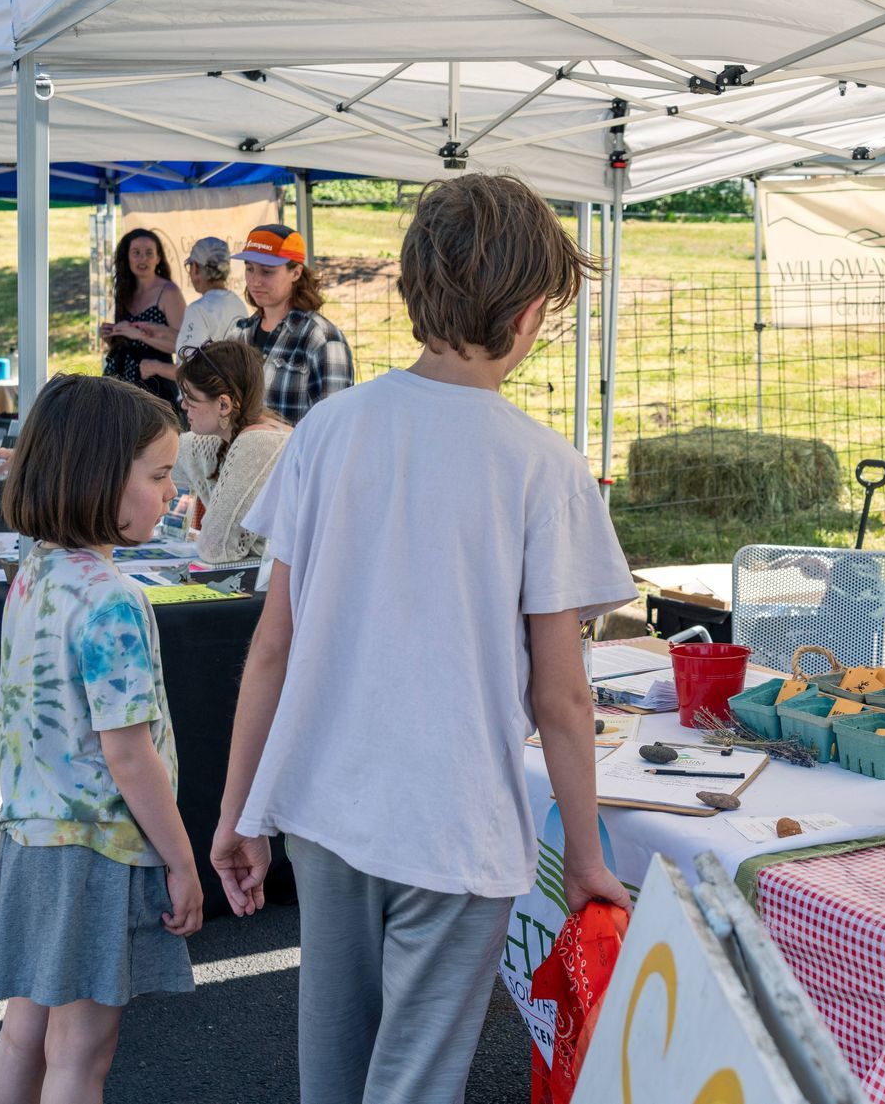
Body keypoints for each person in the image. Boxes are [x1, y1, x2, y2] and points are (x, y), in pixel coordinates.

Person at [209, 174, 635, 1104]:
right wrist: (589, 854)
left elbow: (272, 645)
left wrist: (240, 807)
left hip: (324, 804)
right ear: (529, 317)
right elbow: (561, 696)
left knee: (335, 1074)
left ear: (410, 292)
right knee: (412, 1086)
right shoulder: (545, 467)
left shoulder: (326, 430)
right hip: (458, 828)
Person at [0, 374, 199, 1103]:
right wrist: (181, 859)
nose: (171, 493)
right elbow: (127, 751)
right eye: (160, 474)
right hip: (99, 850)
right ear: (103, 476)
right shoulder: (113, 599)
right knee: (82, 1052)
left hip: (33, 836)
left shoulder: (33, 567)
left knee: (24, 1031)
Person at [171, 340, 291, 565]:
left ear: (224, 405)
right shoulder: (229, 438)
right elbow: (162, 458)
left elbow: (216, 547)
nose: (183, 406)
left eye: (190, 398)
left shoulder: (259, 442)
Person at [231, 223, 353, 423]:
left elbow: (334, 424)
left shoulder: (323, 339)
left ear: (296, 273)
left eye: (267, 271)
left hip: (294, 454)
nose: (255, 281)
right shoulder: (238, 333)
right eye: (249, 269)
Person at [139, 236, 247, 385]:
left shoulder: (198, 310)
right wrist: (160, 331)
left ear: (195, 267)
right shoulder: (237, 303)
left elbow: (188, 370)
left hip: (203, 401)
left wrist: (153, 367)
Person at [101, 228, 186, 406]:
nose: (143, 259)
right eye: (136, 253)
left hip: (154, 381)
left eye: (149, 253)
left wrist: (139, 335)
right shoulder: (124, 290)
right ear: (127, 257)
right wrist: (112, 336)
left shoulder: (168, 292)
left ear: (159, 258)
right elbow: (126, 343)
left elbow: (181, 346)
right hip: (119, 376)